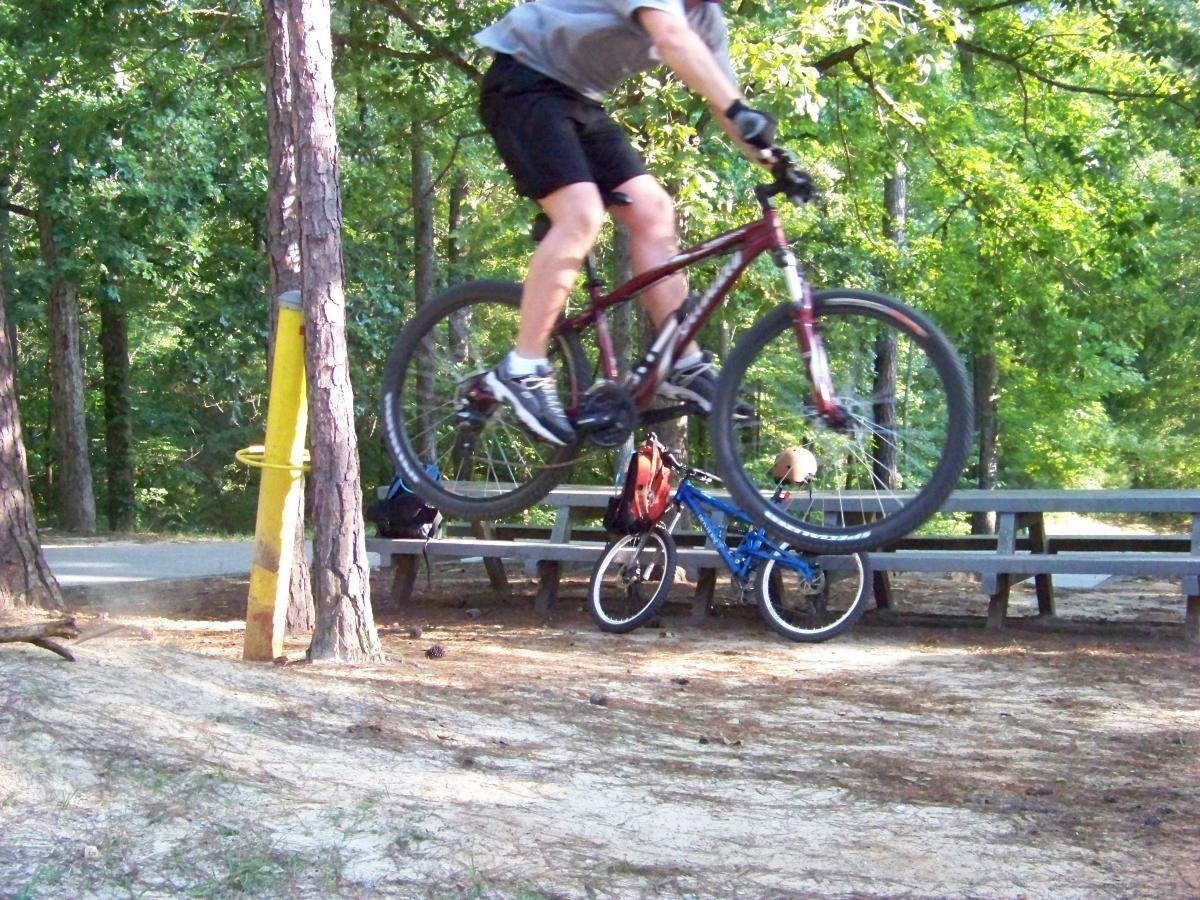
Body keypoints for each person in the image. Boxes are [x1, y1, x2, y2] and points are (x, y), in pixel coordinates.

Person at [474, 0, 776, 445]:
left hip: (579, 100)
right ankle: (522, 368)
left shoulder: (705, 18)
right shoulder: (671, 17)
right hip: (522, 81)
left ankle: (680, 359)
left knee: (654, 211)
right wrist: (737, 113)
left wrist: (776, 161)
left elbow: (725, 100)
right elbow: (671, 38)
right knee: (581, 213)